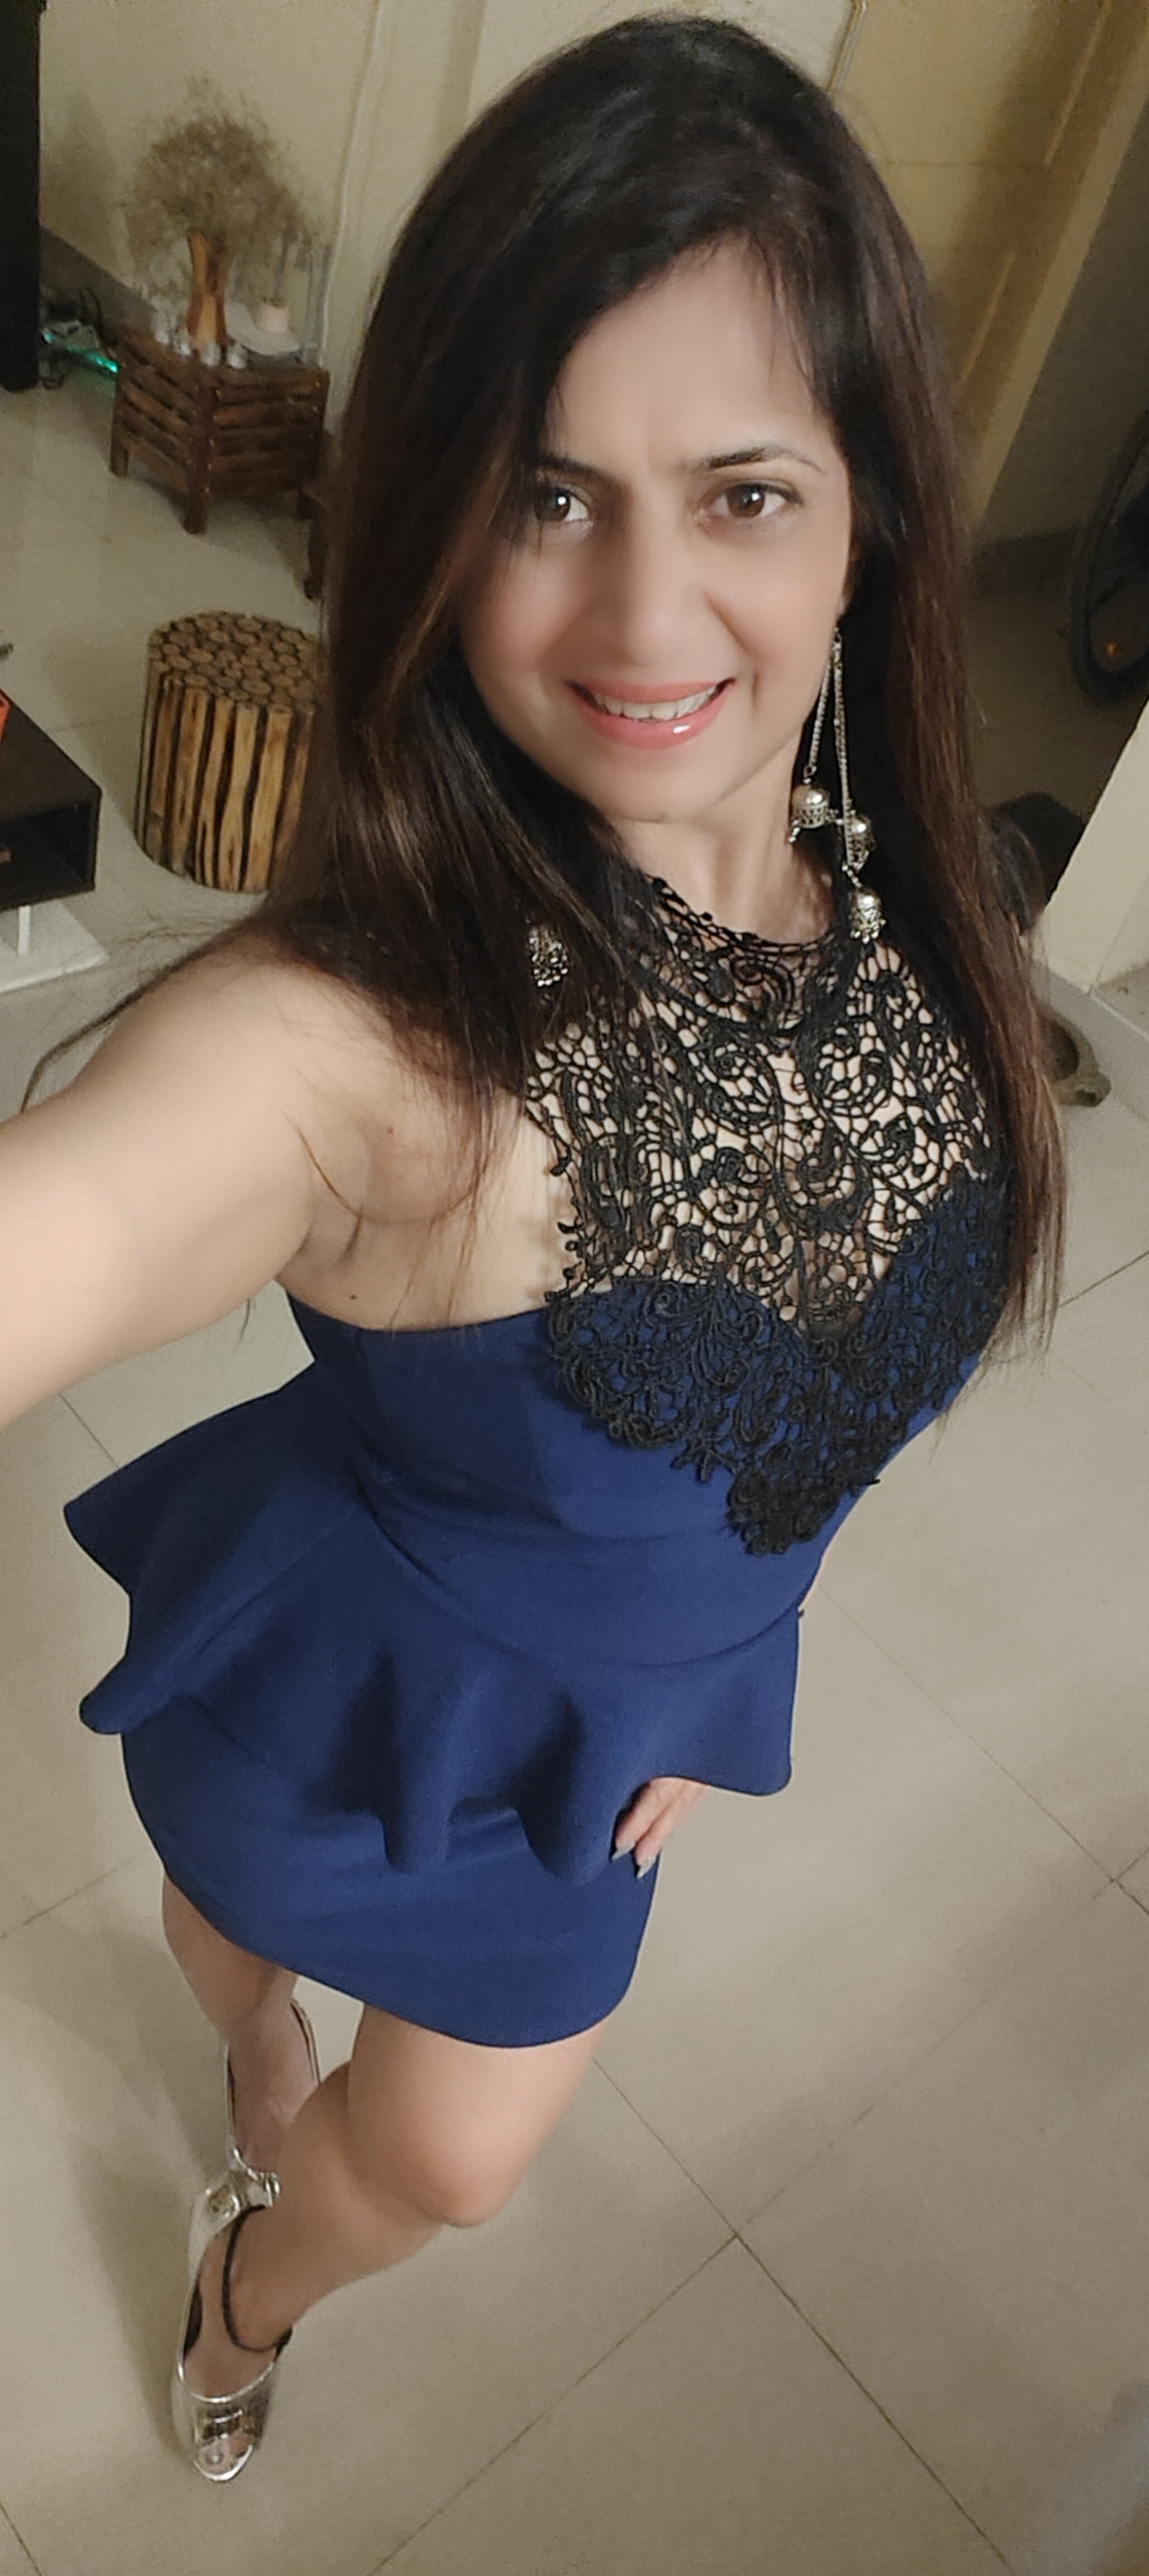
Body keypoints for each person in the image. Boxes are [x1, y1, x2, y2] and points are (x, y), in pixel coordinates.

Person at [0, 12, 1063, 2485]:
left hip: (612, 1748)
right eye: (546, 495)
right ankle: (245, 2045)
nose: (647, 609)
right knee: (237, 1952)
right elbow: (91, 1207)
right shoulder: (360, 1044)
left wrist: (720, 1652)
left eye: (745, 492)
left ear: (870, 514)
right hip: (337, 1687)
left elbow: (833, 1365)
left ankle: (250, 2280)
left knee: (451, 2169)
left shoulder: (920, 908)